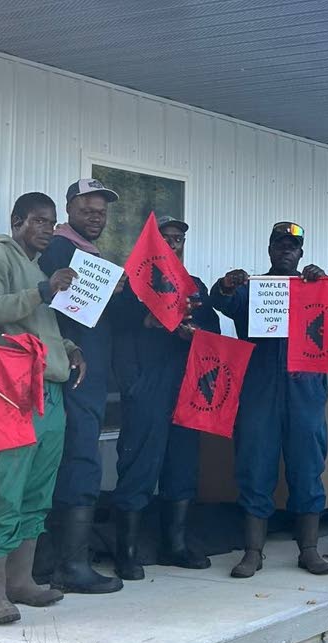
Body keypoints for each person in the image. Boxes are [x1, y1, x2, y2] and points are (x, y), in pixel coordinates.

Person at [0, 192, 87, 624]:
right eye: (38, 221)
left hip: (51, 389)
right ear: (17, 220)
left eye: (52, 223)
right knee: (8, 486)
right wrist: (42, 289)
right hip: (16, 388)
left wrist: (69, 347)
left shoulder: (36, 268)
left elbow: (38, 325)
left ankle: (21, 580)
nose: (47, 230)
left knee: (38, 489)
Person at [212, 222, 328, 578]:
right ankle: (253, 552)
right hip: (259, 392)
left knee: (309, 466)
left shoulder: (315, 289)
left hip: (305, 390)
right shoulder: (252, 290)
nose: (286, 250)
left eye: (293, 245)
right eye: (280, 244)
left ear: (301, 253)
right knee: (254, 465)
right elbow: (221, 301)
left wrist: (323, 285)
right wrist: (225, 284)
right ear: (269, 250)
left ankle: (308, 550)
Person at [109, 216, 219, 581]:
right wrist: (146, 319)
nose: (172, 246)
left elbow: (213, 331)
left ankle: (175, 544)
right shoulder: (132, 286)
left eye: (178, 241)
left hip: (187, 385)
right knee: (139, 464)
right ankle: (125, 551)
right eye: (166, 239)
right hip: (147, 385)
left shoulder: (194, 286)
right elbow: (112, 323)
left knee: (182, 464)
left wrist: (195, 332)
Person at [35, 178, 123, 594]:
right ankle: (70, 565)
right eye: (88, 208)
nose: (96, 216)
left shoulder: (89, 256)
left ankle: (52, 562)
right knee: (79, 458)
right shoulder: (57, 249)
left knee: (74, 456)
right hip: (73, 373)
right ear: (69, 208)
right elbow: (57, 311)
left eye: (102, 211)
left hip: (88, 374)